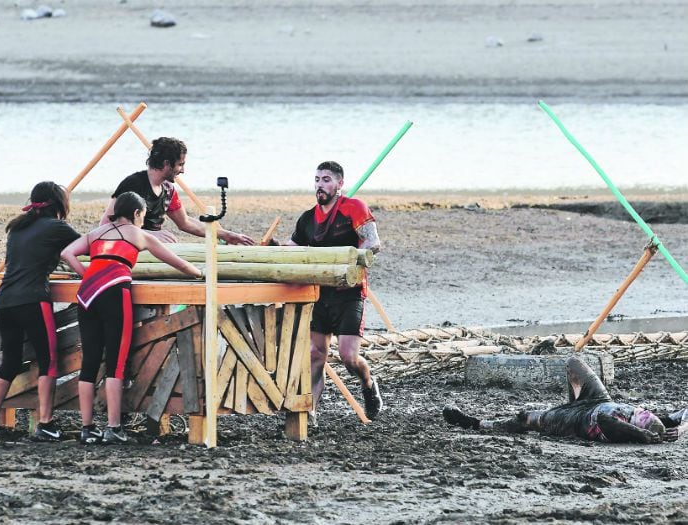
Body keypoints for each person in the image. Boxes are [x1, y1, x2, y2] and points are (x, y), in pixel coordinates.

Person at [62, 191, 203, 445]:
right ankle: (113, 427)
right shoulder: (137, 234)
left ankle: (87, 427)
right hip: (115, 293)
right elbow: (177, 263)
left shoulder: (97, 233)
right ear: (137, 213)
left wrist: (86, 274)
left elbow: (67, 253)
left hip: (87, 295)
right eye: (143, 215)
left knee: (90, 361)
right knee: (116, 362)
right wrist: (198, 273)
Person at [274, 161, 383, 421]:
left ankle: (369, 385)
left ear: (339, 184)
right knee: (315, 354)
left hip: (350, 292)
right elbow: (293, 248)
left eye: (325, 180)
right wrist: (273, 247)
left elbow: (373, 242)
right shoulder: (308, 218)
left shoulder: (353, 208)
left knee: (348, 357)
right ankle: (310, 411)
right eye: (317, 180)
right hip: (319, 293)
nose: (319, 185)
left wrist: (353, 259)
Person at [0, 182, 80, 442]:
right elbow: (86, 247)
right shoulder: (57, 227)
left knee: (10, 361)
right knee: (48, 361)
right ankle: (46, 423)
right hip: (33, 300)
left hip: (5, 301)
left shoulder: (17, 228)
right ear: (58, 204)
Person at [443, 355, 688, 444]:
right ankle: (668, 421)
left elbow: (605, 419)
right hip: (599, 399)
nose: (642, 411)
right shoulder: (650, 422)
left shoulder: (627, 430)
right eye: (643, 413)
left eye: (643, 418)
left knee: (528, 417)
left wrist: (641, 435)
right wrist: (680, 426)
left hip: (579, 420)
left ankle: (476, 423)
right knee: (573, 363)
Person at [101, 136, 254, 246]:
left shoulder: (168, 189)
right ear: (167, 163)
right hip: (127, 247)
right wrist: (151, 234)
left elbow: (185, 223)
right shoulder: (133, 184)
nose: (183, 170)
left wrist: (227, 235)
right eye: (180, 165)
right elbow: (106, 225)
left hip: (153, 247)